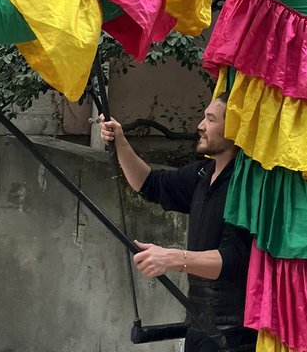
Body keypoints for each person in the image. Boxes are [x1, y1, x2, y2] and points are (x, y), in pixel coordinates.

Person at [99, 93, 255, 352]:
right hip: (198, 327)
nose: (200, 126)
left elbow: (234, 258)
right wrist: (120, 142)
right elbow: (150, 184)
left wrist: (172, 258)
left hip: (236, 336)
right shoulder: (203, 173)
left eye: (210, 119)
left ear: (235, 129)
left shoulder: (247, 184)